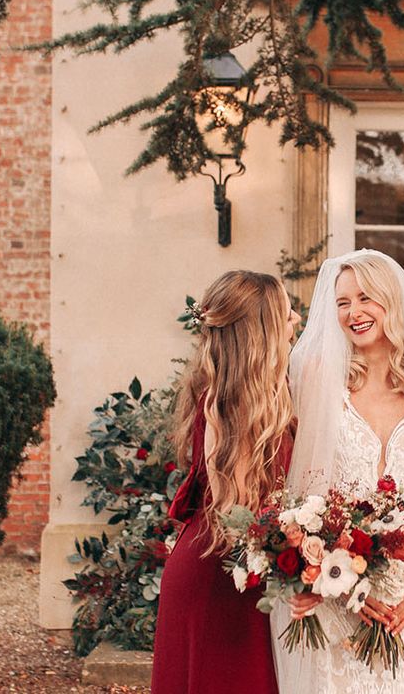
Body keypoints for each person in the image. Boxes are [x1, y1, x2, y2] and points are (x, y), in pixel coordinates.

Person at [278, 248, 404, 694]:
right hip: (339, 596)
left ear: (391, 302)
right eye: (342, 302)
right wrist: (346, 587)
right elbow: (309, 497)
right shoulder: (320, 377)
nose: (354, 312)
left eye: (366, 298)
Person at [151, 270, 300, 694]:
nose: (296, 318)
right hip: (223, 572)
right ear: (263, 328)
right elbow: (237, 514)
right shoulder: (222, 402)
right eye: (286, 312)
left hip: (251, 570)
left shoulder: (276, 391)